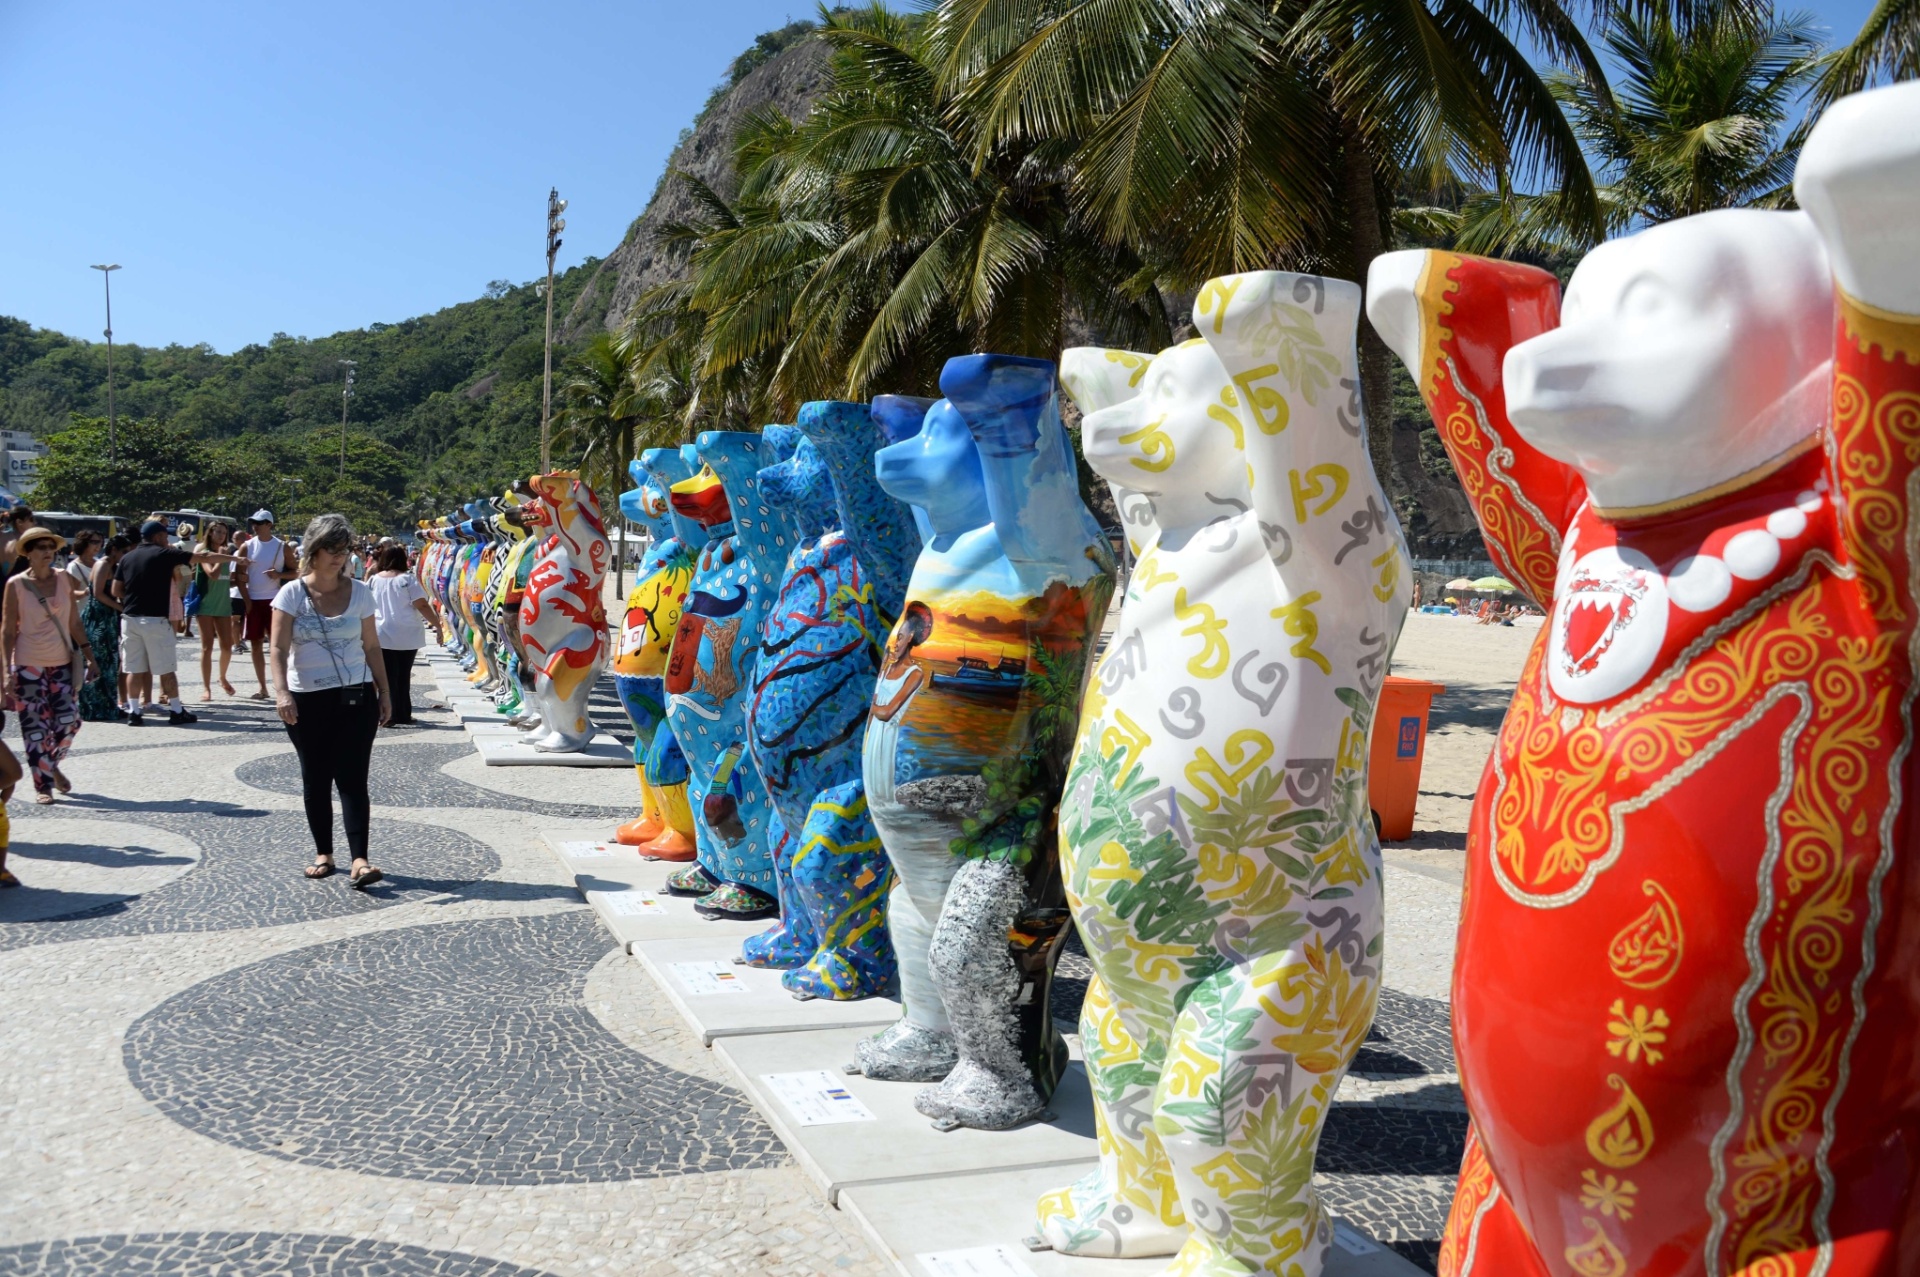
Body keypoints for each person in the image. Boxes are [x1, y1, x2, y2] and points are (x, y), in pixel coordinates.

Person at [271, 513, 391, 887]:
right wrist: (281, 692)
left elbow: (371, 645)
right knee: (316, 778)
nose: (339, 557)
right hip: (306, 699)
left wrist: (385, 691)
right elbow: (276, 647)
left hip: (356, 696)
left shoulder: (361, 591)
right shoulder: (291, 593)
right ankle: (324, 852)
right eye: (331, 549)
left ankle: (360, 860)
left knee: (353, 779)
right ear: (314, 550)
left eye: (344, 549)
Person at [2, 528, 98, 802]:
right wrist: (5, 672)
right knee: (35, 728)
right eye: (41, 547)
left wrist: (90, 656)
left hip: (61, 662)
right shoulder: (16, 585)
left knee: (70, 721)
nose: (47, 551)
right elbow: (7, 632)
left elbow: (73, 623)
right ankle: (42, 786)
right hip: (27, 664)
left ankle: (50, 764)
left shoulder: (64, 580)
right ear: (29, 553)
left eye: (50, 547)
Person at [111, 521, 239, 726]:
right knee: (166, 667)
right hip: (155, 619)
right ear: (157, 537)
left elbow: (116, 590)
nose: (167, 540)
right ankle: (177, 710)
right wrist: (234, 557)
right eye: (164, 536)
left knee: (133, 668)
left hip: (130, 619)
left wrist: (133, 601)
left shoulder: (127, 557)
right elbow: (204, 557)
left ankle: (134, 712)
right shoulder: (164, 554)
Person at [369, 541, 442, 726]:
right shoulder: (407, 580)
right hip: (407, 634)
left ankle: (389, 713)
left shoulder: (374, 580)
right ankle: (401, 713)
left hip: (381, 633)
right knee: (403, 674)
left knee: (387, 675)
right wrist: (438, 626)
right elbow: (422, 605)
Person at [237, 510, 295, 698]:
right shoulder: (247, 546)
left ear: (269, 525)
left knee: (278, 645)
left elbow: (296, 572)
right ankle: (262, 687)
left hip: (275, 600)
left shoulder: (282, 546)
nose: (255, 526)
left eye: (260, 523)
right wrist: (246, 601)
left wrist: (279, 575)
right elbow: (239, 576)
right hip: (253, 599)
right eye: (254, 522)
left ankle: (283, 686)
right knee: (255, 644)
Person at [81, 534, 133, 720]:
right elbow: (98, 594)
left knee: (111, 661)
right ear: (113, 550)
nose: (126, 555)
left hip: (109, 617)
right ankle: (94, 707)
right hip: (98, 617)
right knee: (100, 661)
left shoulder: (114, 566)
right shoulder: (103, 564)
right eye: (124, 552)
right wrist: (121, 607)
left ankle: (108, 704)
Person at [193, 521, 239, 699]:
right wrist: (220, 557)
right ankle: (206, 687)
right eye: (218, 532)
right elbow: (212, 574)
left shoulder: (227, 552)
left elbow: (228, 579)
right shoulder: (203, 551)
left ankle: (222, 677)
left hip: (223, 604)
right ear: (210, 533)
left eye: (224, 533)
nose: (221, 536)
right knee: (207, 647)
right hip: (205, 604)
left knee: (227, 646)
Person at [0, 505, 35, 576]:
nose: (34, 522)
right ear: (19, 522)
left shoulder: (1, 535)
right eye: (31, 519)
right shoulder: (26, 541)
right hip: (18, 585)